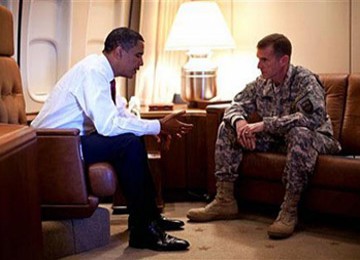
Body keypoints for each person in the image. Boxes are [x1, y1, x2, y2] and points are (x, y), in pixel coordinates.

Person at [31, 27, 193, 251]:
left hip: (71, 141)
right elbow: (108, 125)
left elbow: (119, 114)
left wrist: (155, 129)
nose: (141, 62)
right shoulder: (93, 71)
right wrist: (157, 125)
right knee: (128, 143)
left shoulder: (105, 74)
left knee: (131, 139)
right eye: (138, 55)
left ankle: (150, 217)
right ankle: (143, 231)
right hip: (54, 146)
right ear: (119, 52)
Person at [187, 33, 341, 239]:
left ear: (283, 60)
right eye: (258, 59)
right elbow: (236, 104)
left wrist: (264, 124)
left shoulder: (305, 80)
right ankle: (225, 200)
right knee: (228, 128)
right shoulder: (262, 83)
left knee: (300, 134)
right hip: (279, 140)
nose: (259, 65)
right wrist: (240, 122)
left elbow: (312, 119)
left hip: (316, 138)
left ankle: (289, 210)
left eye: (264, 59)